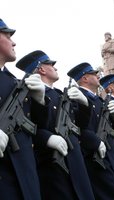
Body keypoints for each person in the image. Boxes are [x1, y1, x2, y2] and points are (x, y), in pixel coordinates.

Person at [16, 51, 95, 200]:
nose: (56, 68)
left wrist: (85, 105)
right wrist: (47, 138)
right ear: (42, 69)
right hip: (53, 163)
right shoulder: (28, 94)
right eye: (51, 64)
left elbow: (81, 126)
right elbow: (26, 126)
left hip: (74, 159)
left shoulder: (60, 95)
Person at [0, 19, 49, 200]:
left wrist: (39, 100)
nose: (13, 42)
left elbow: (38, 126)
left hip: (26, 178)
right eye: (7, 35)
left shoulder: (14, 82)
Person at [67, 63, 114, 200]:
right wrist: (95, 142)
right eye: (94, 74)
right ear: (85, 78)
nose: (98, 75)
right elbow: (76, 125)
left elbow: (112, 126)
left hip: (108, 151)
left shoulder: (99, 100)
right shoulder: (77, 96)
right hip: (94, 155)